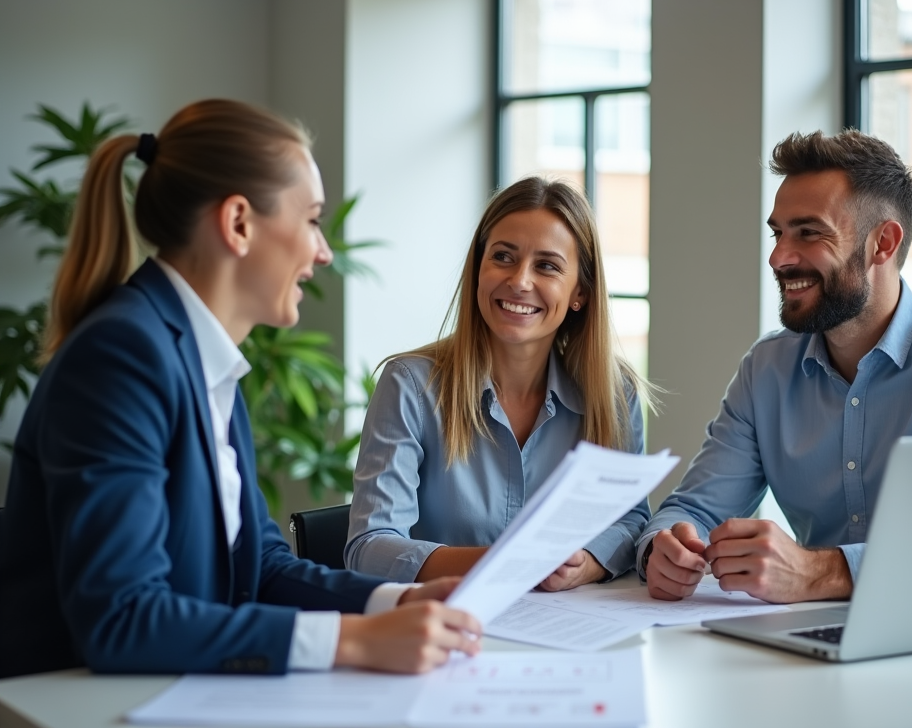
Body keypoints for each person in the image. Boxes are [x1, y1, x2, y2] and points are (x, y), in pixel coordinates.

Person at [0, 99, 480, 679]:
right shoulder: (121, 356)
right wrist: (350, 640)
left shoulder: (200, 356)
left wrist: (395, 601)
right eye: (311, 220)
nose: (322, 252)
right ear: (238, 223)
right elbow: (120, 618)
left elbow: (258, 566)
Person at [639, 129, 912, 605]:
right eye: (778, 232)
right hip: (803, 642)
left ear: (882, 243)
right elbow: (696, 507)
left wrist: (824, 572)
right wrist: (666, 547)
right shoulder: (767, 369)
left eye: (809, 232)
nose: (778, 257)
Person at [346, 177, 653, 589]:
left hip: (566, 631)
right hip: (441, 629)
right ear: (478, 270)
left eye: (546, 265)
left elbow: (631, 519)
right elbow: (369, 547)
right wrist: (509, 562)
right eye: (503, 257)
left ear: (579, 291)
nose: (520, 281)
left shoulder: (615, 394)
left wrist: (588, 562)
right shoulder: (410, 385)